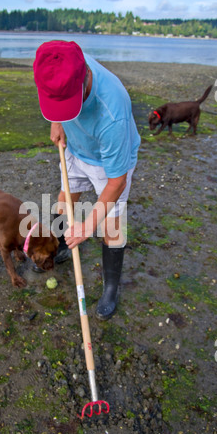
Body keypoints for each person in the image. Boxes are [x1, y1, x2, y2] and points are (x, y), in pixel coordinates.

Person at [33, 40, 140, 321]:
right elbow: (54, 94)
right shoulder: (61, 63)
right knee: (64, 199)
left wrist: (87, 225)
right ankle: (58, 248)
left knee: (111, 223)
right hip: (74, 147)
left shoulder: (112, 112)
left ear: (85, 78)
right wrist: (57, 120)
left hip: (108, 161)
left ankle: (111, 287)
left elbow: (116, 182)